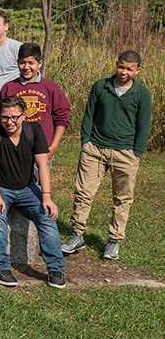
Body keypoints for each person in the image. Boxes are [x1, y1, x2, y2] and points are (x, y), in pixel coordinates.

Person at [61, 50, 152, 261]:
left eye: (129, 69)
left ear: (137, 70)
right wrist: (86, 142)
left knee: (122, 199)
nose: (124, 71)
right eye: (121, 66)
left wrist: (136, 153)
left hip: (126, 153)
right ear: (116, 65)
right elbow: (89, 114)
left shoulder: (142, 94)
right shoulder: (100, 86)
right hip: (95, 150)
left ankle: (114, 240)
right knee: (83, 192)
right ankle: (77, 235)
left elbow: (143, 125)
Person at [0, 96, 66, 288]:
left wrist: (47, 197)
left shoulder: (34, 130)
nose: (9, 122)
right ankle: (2, 267)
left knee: (47, 215)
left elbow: (43, 164)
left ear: (23, 116)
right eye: (5, 117)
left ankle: (56, 268)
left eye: (14, 117)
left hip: (27, 187)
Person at [0, 43, 70, 164]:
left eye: (31, 63)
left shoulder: (51, 88)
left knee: (40, 182)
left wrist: (53, 147)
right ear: (17, 62)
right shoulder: (8, 88)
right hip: (13, 149)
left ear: (39, 63)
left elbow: (62, 119)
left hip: (42, 149)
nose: (26, 67)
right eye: (22, 62)